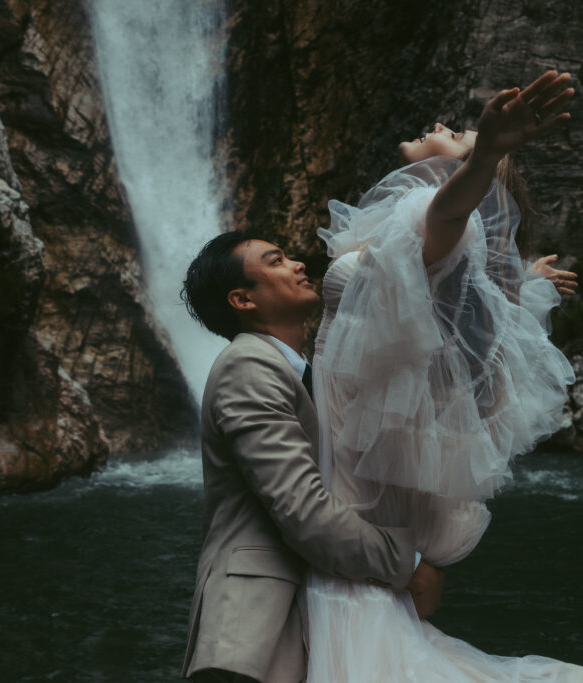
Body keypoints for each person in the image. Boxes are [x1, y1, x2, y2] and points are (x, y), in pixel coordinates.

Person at [305, 70, 583, 681]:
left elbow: (446, 217)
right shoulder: (427, 244)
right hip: (349, 483)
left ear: (467, 176)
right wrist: (520, 288)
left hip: (345, 499)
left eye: (459, 136)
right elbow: (460, 328)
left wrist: (489, 154)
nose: (442, 127)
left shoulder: (439, 216)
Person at [178, 232, 448, 683]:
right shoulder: (248, 366)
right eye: (276, 261)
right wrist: (410, 565)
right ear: (243, 299)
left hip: (313, 613)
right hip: (255, 631)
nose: (298, 263)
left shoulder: (304, 371)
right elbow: (302, 509)